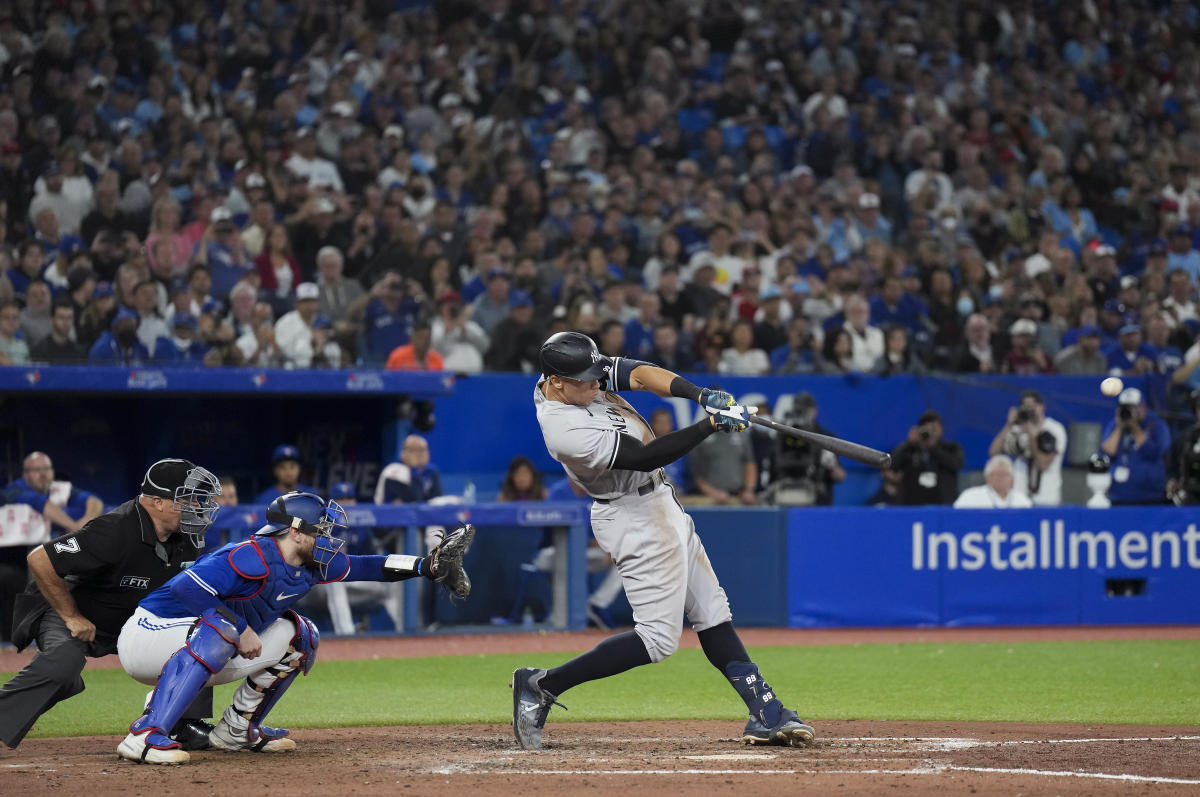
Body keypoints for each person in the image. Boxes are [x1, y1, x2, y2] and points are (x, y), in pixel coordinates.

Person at [514, 331, 814, 751]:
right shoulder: (562, 429)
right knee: (656, 640)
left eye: (595, 375)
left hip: (660, 502)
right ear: (556, 381)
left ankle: (766, 711)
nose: (596, 384)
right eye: (584, 380)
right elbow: (644, 456)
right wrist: (711, 424)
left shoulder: (576, 380)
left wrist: (702, 394)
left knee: (712, 612)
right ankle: (542, 684)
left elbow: (637, 374)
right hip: (631, 515)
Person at [113, 491, 474, 764]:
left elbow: (370, 566)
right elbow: (184, 588)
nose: (331, 538)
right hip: (147, 635)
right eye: (324, 530)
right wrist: (239, 626)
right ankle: (144, 735)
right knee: (222, 628)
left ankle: (237, 730)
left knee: (301, 635)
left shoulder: (310, 563)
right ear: (297, 532)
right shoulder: (248, 555)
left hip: (195, 641)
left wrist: (426, 565)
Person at [0, 459, 221, 751]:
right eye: (187, 498)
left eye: (197, 498)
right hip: (75, 611)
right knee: (63, 666)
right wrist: (71, 615)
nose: (196, 506)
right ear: (157, 501)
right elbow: (40, 559)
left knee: (198, 636)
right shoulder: (114, 529)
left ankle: (183, 723)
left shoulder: (190, 537)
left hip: (132, 620)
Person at [317, 482, 403, 635]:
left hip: (354, 581)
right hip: (319, 585)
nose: (347, 504)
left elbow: (372, 559)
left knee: (394, 583)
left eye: (349, 499)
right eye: (341, 499)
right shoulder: (321, 526)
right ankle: (347, 634)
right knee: (335, 578)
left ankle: (405, 632)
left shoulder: (363, 526)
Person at [987, 390, 1067, 506]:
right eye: (1026, 407)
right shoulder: (1017, 429)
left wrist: (1031, 436)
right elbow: (994, 452)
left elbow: (1043, 465)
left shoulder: (1054, 429)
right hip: (1019, 497)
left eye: (1033, 406)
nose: (1030, 410)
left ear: (1042, 407)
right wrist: (1009, 424)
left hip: (1046, 498)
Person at [1100, 387, 1170, 505]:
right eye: (1124, 407)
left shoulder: (1156, 424)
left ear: (1142, 407)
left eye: (1132, 407)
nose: (1128, 410)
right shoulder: (1115, 425)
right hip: (1118, 495)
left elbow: (1155, 452)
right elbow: (1108, 452)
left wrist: (1134, 428)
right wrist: (1120, 427)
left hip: (1151, 496)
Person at [889, 410, 965, 505]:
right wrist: (908, 443)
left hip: (943, 505)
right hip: (912, 506)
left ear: (941, 430)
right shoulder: (910, 449)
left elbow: (957, 464)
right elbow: (892, 465)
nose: (930, 433)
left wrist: (933, 449)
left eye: (934, 429)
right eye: (927, 429)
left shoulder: (951, 448)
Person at [374, 435, 443, 504]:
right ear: (404, 453)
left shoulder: (431, 471)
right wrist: (414, 469)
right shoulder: (393, 472)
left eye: (424, 449)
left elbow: (437, 501)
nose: (421, 454)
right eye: (414, 450)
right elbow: (415, 500)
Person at [953, 456, 1033, 508]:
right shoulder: (970, 496)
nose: (1001, 478)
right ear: (987, 477)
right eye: (996, 474)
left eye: (1005, 474)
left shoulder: (1021, 499)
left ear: (1012, 479)